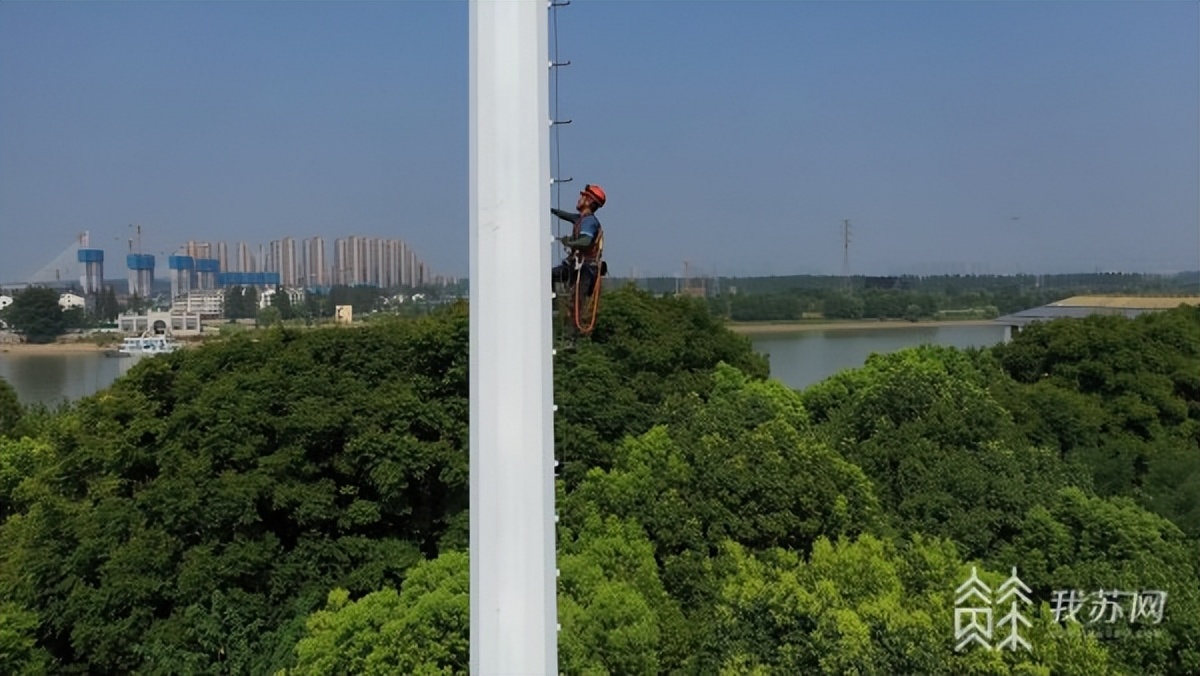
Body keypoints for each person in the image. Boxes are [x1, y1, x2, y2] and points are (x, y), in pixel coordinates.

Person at [550, 183, 606, 299]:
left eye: (583, 197)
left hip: (585, 270)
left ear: (589, 201)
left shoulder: (589, 222)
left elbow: (586, 242)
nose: (579, 199)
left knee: (576, 304)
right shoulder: (581, 219)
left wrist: (569, 243)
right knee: (551, 276)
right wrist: (548, 209)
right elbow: (564, 215)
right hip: (579, 268)